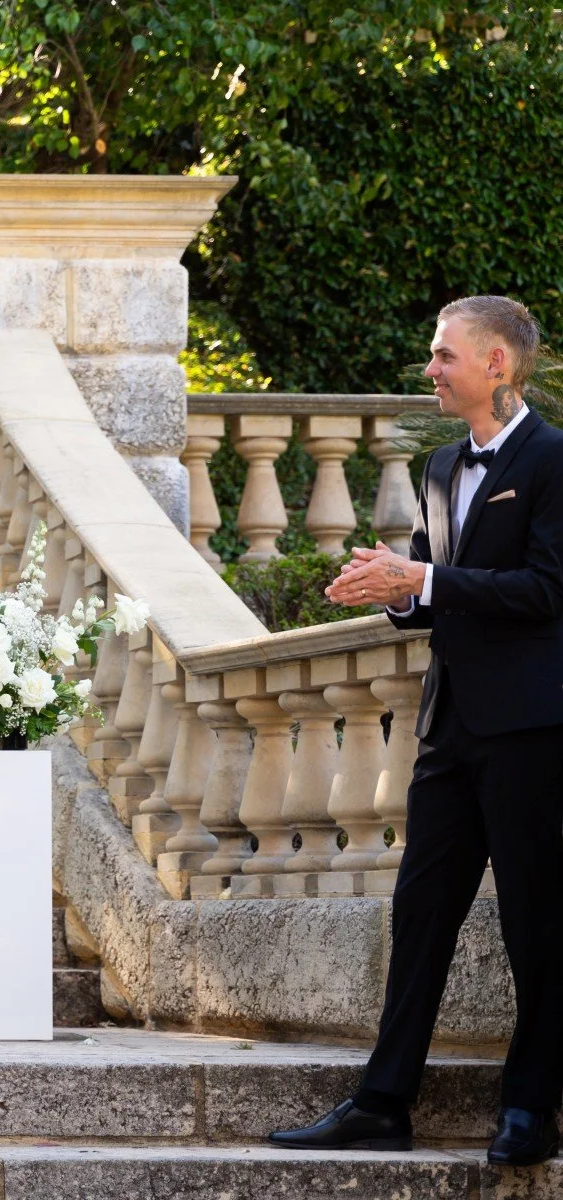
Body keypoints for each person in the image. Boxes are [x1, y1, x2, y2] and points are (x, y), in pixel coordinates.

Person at [270, 296, 563, 1165]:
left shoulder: (554, 460)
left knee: (536, 923)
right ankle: (382, 1099)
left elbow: (547, 590)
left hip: (533, 728)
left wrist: (424, 581)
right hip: (448, 728)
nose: (430, 369)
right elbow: (431, 592)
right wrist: (392, 591)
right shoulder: (439, 466)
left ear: (497, 364)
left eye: (443, 356)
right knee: (420, 910)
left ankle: (529, 1110)